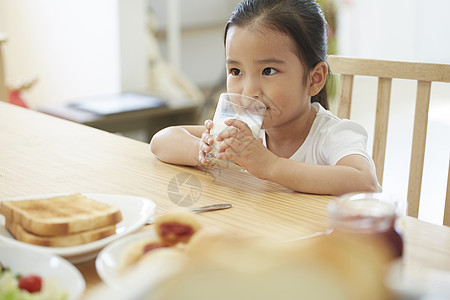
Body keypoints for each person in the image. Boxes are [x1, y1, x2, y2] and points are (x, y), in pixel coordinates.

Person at [150, 0, 379, 195]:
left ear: (314, 79)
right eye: (236, 71)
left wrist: (270, 166)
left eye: (268, 71)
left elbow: (365, 183)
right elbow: (162, 140)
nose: (248, 92)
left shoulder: (331, 135)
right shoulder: (244, 132)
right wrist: (204, 150)